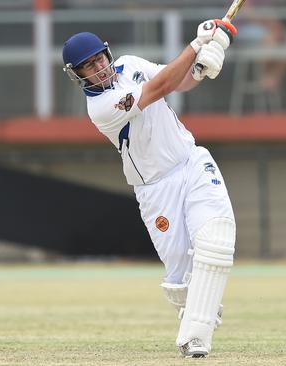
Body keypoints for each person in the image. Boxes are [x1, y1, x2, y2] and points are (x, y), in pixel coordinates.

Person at [62, 20, 237, 358]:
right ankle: (197, 307)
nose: (99, 68)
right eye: (89, 66)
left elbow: (179, 81)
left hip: (190, 161)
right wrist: (196, 45)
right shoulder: (101, 108)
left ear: (107, 53)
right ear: (78, 75)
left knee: (216, 240)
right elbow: (158, 88)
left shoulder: (129, 64)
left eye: (99, 58)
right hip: (156, 189)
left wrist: (200, 68)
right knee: (180, 282)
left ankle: (195, 338)